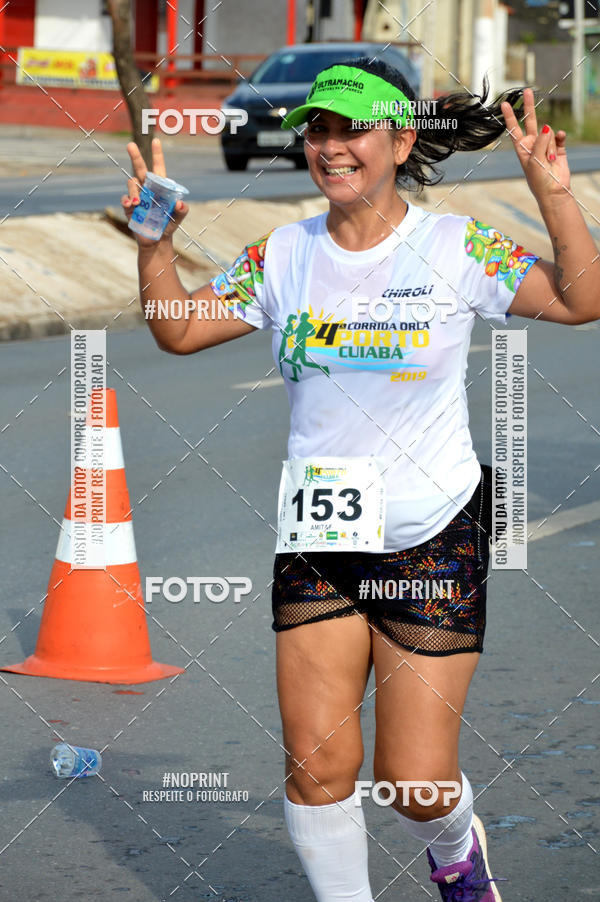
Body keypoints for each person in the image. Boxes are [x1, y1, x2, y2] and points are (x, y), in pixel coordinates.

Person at [122, 58, 600, 901]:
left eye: (352, 129)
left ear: (401, 137)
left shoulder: (458, 246)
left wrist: (553, 191)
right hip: (319, 541)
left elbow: (580, 299)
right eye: (318, 129)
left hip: (430, 540)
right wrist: (155, 244)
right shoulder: (283, 254)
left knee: (414, 784)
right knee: (317, 768)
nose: (331, 147)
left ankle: (455, 849)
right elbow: (178, 330)